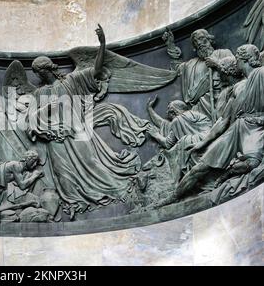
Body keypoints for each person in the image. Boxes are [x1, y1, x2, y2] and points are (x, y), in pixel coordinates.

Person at [25, 25, 141, 217]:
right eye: (37, 73)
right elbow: (30, 119)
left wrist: (102, 44)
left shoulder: (70, 81)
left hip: (77, 131)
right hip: (55, 138)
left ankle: (119, 189)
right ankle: (73, 204)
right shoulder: (39, 93)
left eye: (38, 72)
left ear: (45, 70)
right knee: (63, 175)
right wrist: (47, 109)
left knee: (93, 163)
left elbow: (96, 70)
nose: (38, 75)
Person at [153, 44, 264, 207]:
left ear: (244, 59)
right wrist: (203, 142)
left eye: (237, 60)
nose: (235, 63)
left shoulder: (261, 74)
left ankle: (226, 175)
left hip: (255, 128)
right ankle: (173, 197)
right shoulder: (238, 87)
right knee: (200, 167)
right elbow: (223, 120)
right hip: (235, 130)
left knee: (252, 164)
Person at [169, 29, 233, 122]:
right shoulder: (191, 64)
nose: (198, 43)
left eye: (201, 38)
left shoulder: (223, 53)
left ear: (209, 39)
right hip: (200, 108)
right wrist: (170, 45)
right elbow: (176, 70)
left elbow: (236, 71)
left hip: (222, 100)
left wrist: (217, 64)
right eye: (195, 41)